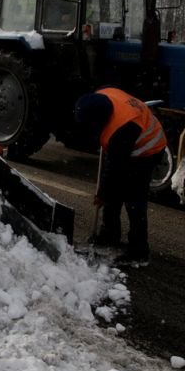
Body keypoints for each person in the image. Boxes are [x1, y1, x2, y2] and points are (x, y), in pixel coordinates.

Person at [73, 87, 167, 265]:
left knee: (134, 199)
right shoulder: (104, 93)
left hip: (148, 150)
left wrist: (102, 194)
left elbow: (115, 169)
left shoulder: (122, 129)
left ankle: (138, 251)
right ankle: (109, 236)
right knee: (114, 193)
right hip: (132, 139)